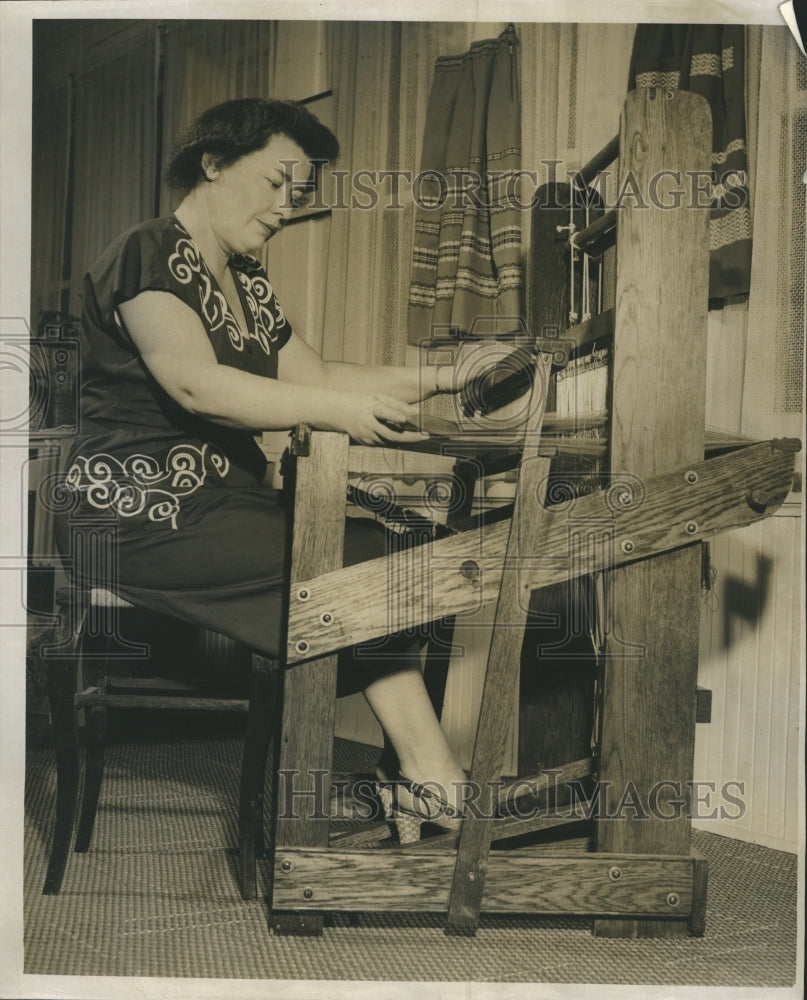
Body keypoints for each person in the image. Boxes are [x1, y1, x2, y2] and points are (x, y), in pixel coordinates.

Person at [54, 97, 473, 839]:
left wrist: (447, 377)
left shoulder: (246, 281)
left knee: (395, 557)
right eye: (276, 184)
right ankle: (433, 780)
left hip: (224, 505)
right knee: (354, 566)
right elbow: (195, 385)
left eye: (300, 195)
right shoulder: (147, 252)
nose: (286, 207)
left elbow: (321, 374)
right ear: (213, 164)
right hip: (135, 510)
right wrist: (330, 412)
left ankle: (419, 775)